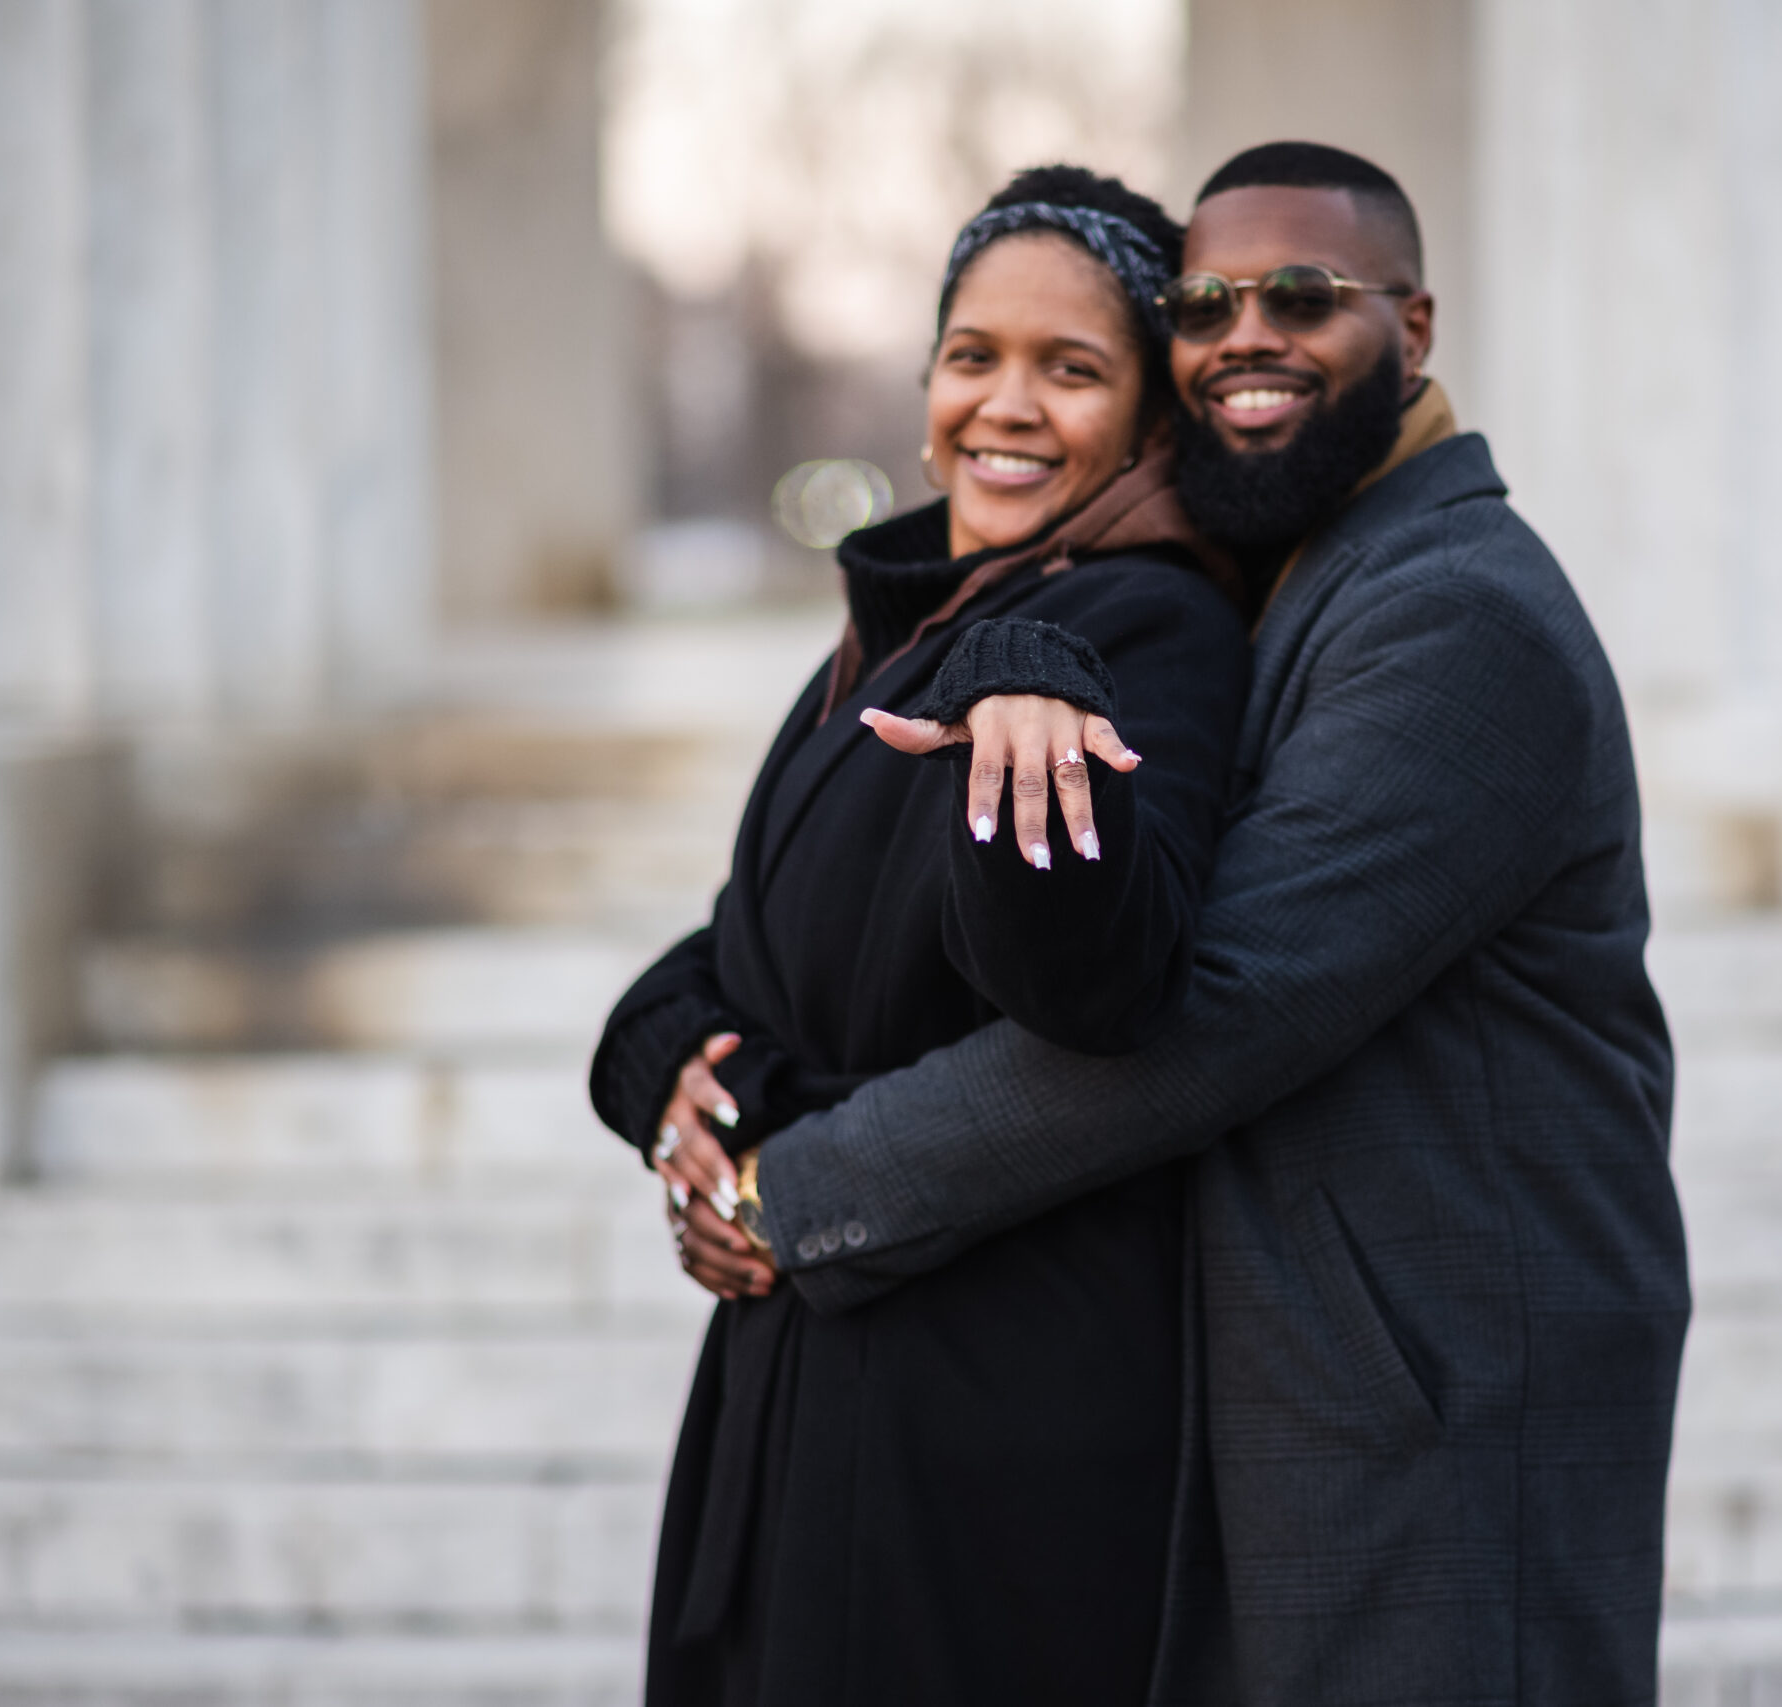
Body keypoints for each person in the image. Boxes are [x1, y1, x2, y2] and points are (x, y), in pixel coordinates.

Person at [672, 142, 1691, 1705]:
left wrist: (790, 1191)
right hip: (1321, 1395)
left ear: (1414, 330)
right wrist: (663, 1053)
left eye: (1304, 296)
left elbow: (1212, 1009)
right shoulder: (1309, 571)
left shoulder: (1454, 615)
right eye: (1205, 306)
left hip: (1443, 1405)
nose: (1246, 340)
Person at [588, 165, 1250, 1705]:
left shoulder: (1151, 629)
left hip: (981, 1412)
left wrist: (1041, 680)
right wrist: (660, 1061)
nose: (1004, 406)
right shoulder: (912, 623)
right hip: (804, 1372)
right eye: (974, 356)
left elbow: (1091, 979)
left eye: (1071, 369)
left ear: (1152, 414)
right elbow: (756, 939)